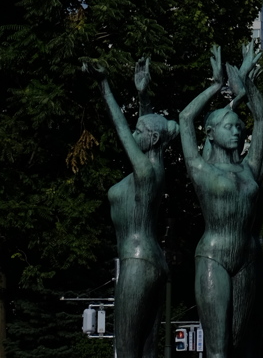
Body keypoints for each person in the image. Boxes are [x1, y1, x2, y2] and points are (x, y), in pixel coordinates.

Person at [179, 44, 263, 358]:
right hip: (213, 257)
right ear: (211, 133)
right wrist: (216, 85)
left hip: (249, 258)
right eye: (229, 127)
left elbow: (261, 121)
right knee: (218, 349)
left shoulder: (251, 169)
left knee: (246, 347)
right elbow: (184, 118)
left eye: (238, 127)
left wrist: (248, 87)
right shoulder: (201, 169)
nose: (236, 131)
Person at [97, 58, 179, 358]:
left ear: (152, 139)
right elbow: (148, 127)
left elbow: (122, 130)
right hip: (152, 262)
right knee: (147, 349)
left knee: (127, 348)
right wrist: (143, 97)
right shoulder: (153, 171)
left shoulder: (145, 173)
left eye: (139, 132)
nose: (134, 135)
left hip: (136, 262)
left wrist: (105, 85)